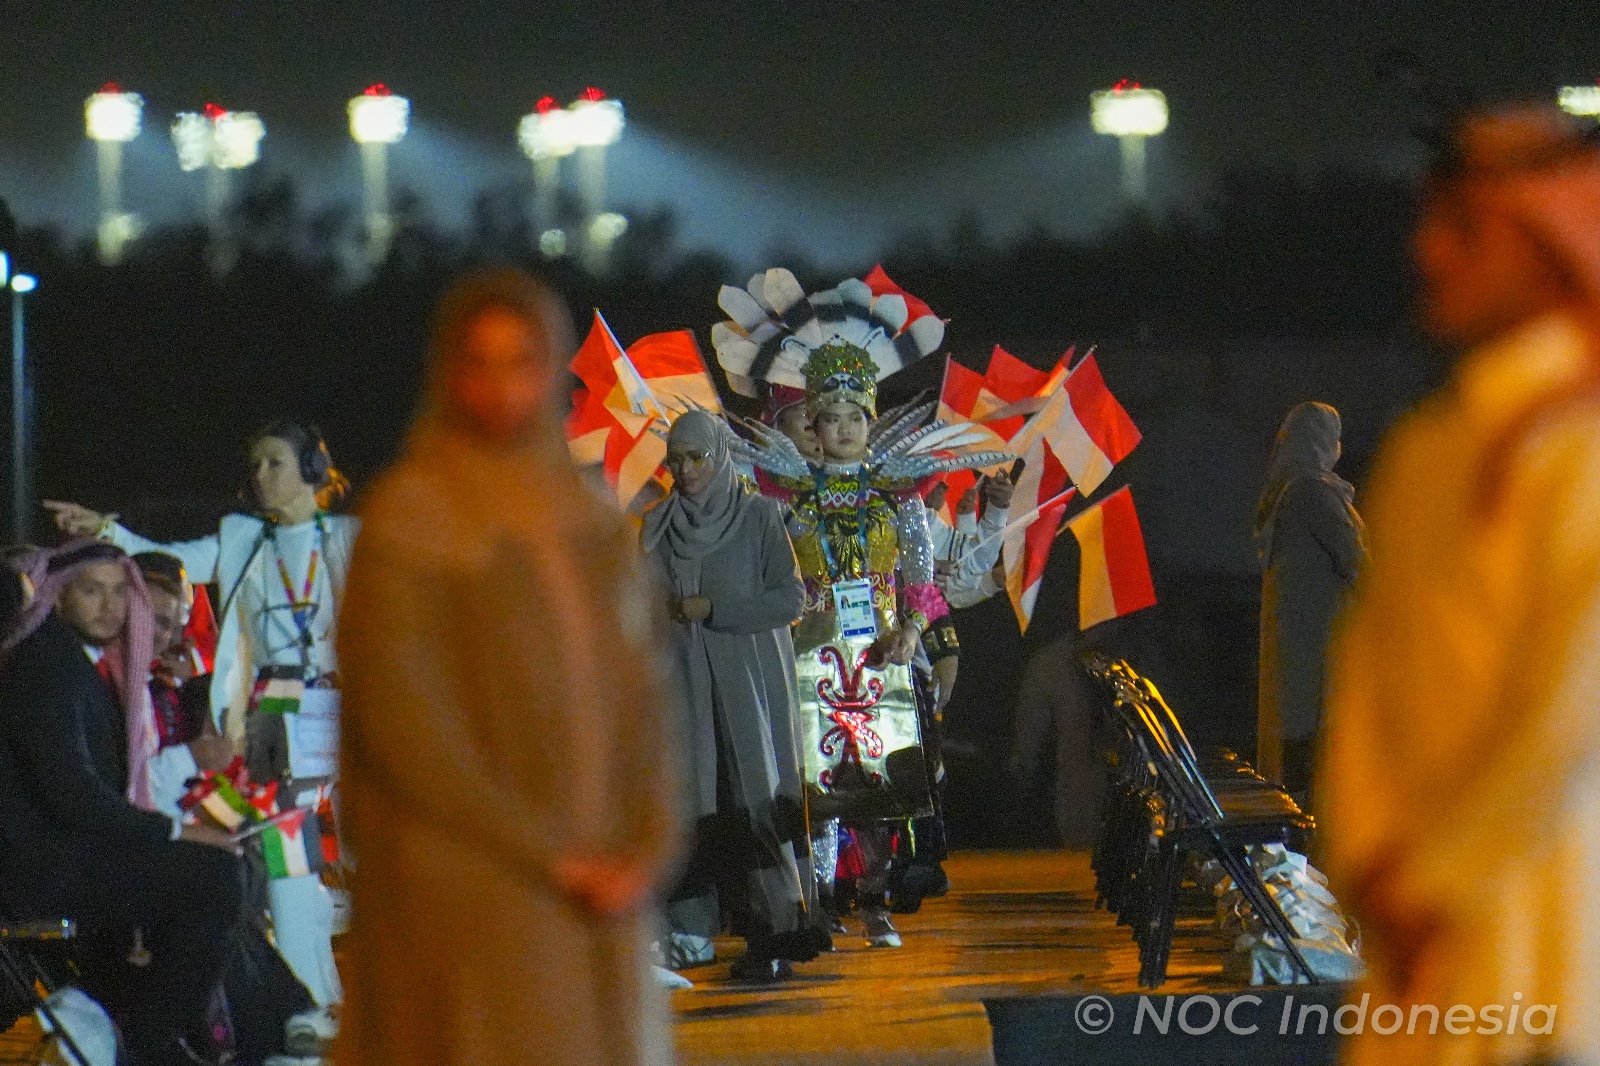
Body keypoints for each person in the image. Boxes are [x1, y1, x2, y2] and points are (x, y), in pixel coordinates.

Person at [336, 270, 684, 1066]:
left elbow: (645, 695)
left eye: (522, 360)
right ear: (447, 372)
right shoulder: (411, 520)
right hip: (471, 877)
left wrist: (647, 845)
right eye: (478, 362)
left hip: (600, 881)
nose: (500, 387)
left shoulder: (588, 518)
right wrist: (547, 854)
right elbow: (406, 725)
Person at [1322, 105, 1600, 1066]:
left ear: (1543, 246)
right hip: (1411, 947)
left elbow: (1571, 711)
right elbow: (1367, 676)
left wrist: (1432, 879)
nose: (1429, 253)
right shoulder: (1430, 449)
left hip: (1553, 941)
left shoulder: (1585, 449)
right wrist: (1368, 861)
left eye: (1463, 230)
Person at [46, 424, 354, 1017]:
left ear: (314, 469)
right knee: (283, 849)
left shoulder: (348, 538)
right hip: (270, 706)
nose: (259, 475)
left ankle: (304, 992)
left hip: (325, 702)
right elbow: (176, 558)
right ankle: (313, 999)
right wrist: (106, 530)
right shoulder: (243, 539)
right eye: (256, 463)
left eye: (274, 463)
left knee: (251, 827)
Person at [0, 540, 246, 1066]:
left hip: (70, 856)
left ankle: (150, 1031)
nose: (110, 606)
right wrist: (172, 832)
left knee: (220, 869)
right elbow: (71, 794)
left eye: (118, 592)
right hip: (41, 869)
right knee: (214, 878)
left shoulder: (75, 664)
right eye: (92, 591)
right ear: (58, 597)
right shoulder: (45, 666)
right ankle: (147, 1040)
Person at [644, 409, 823, 982]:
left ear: (721, 455)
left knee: (754, 795)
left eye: (697, 456)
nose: (687, 469)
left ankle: (774, 928)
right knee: (694, 800)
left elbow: (790, 600)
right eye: (677, 459)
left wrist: (717, 610)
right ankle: (691, 931)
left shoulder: (759, 517)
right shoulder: (657, 527)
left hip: (749, 688)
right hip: (684, 689)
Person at [1253, 401, 1364, 810]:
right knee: (1318, 765)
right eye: (1333, 439)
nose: (1338, 448)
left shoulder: (1290, 491)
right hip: (1319, 656)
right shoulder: (1311, 492)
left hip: (1302, 654)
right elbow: (1358, 563)